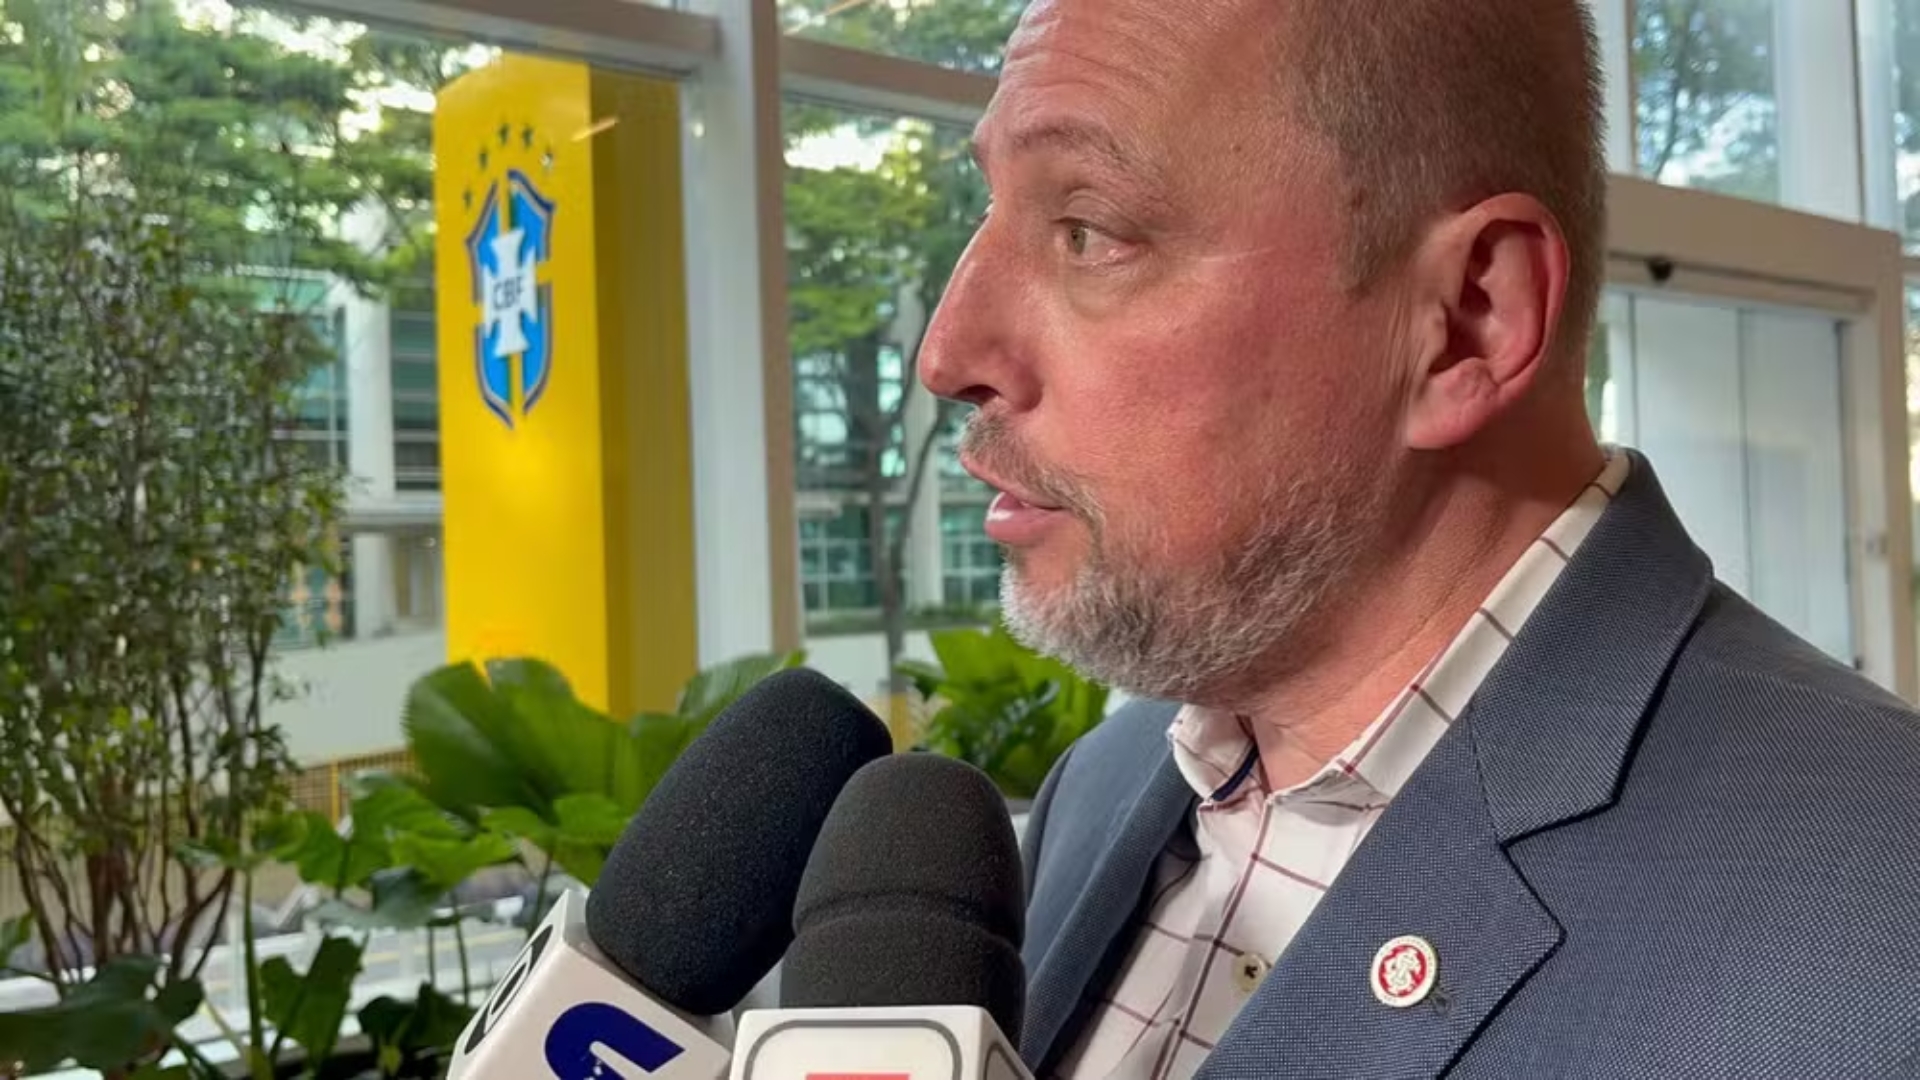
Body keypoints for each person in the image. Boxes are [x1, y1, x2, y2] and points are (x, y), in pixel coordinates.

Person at [914, 0, 1920, 1077]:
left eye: (1088, 230)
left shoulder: (1884, 928)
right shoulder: (1104, 785)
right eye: (991, 209)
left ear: (1471, 318)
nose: (948, 353)